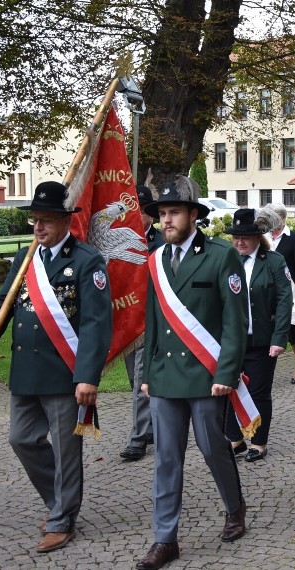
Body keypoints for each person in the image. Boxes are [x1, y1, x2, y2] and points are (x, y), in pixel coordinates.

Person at [0, 181, 112, 553]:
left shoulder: (86, 261)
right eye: (35, 220)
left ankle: (63, 518)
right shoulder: (25, 258)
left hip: (64, 373)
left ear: (65, 221)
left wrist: (87, 376)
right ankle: (59, 502)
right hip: (25, 372)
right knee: (22, 438)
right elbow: (2, 302)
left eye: (45, 220)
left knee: (66, 451)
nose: (38, 228)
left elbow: (96, 323)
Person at [135, 176, 248, 570]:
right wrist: (147, 372)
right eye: (162, 214)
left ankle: (234, 507)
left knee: (213, 446)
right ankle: (165, 539)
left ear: (193, 215)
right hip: (166, 375)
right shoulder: (156, 260)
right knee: (167, 458)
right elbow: (152, 320)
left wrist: (227, 372)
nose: (165, 220)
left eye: (173, 212)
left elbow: (236, 321)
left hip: (205, 373)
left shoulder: (220, 255)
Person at [225, 208, 292, 462]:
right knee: (229, 388)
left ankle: (259, 442)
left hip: (262, 340)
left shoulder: (274, 261)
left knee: (259, 392)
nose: (240, 241)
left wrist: (279, 338)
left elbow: (285, 300)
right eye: (236, 237)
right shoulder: (227, 260)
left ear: (258, 237)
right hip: (232, 341)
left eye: (246, 237)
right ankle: (235, 439)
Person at [119, 185, 163, 461]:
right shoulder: (120, 241)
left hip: (151, 322)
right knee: (135, 379)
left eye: (140, 211)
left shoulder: (161, 243)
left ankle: (137, 439)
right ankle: (151, 427)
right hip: (126, 322)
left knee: (140, 383)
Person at [265, 204, 295, 384]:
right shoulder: (263, 238)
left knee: (294, 331)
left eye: (274, 217)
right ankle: (266, 368)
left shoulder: (294, 239)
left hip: (291, 291)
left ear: (283, 218)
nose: (271, 221)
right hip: (268, 292)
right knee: (268, 330)